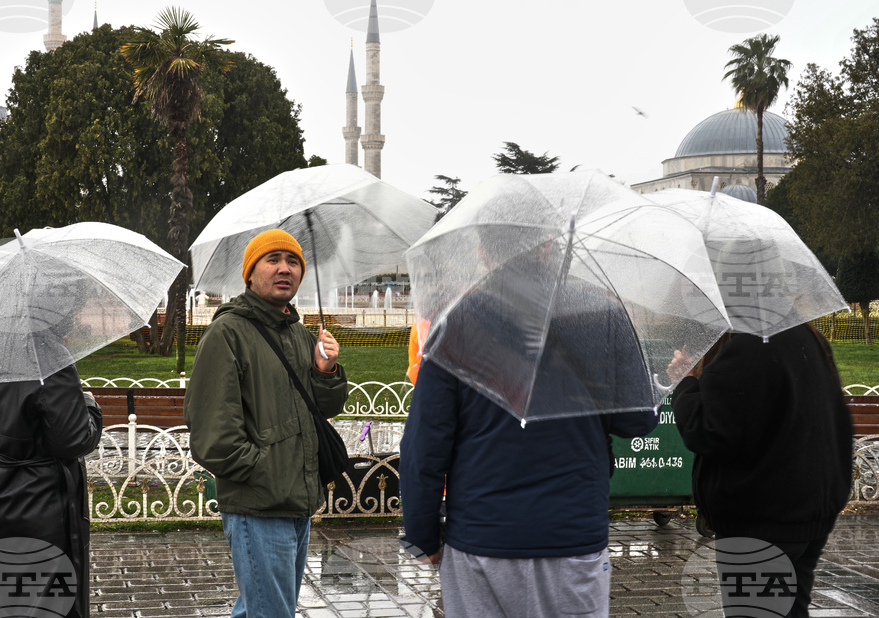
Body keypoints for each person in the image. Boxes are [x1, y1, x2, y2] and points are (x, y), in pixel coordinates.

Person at [399, 243, 660, 617]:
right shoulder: (603, 315)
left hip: (481, 538)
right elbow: (638, 419)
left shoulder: (455, 323)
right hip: (573, 536)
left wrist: (421, 539)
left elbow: (424, 444)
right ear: (552, 248)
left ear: (485, 253)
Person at [184, 229, 348, 618]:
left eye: (292, 261)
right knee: (271, 611)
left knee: (263, 608)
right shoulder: (228, 333)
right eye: (272, 260)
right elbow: (212, 433)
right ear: (250, 272)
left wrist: (326, 370)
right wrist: (262, 469)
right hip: (259, 504)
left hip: (297, 500)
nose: (284, 269)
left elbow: (323, 408)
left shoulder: (297, 332)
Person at [668, 324, 853, 618]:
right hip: (806, 515)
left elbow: (708, 431)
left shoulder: (749, 346)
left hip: (761, 522)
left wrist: (685, 383)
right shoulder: (805, 335)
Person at [0, 363, 103, 618]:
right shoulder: (48, 360)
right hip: (40, 507)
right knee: (44, 604)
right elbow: (74, 440)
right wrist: (89, 405)